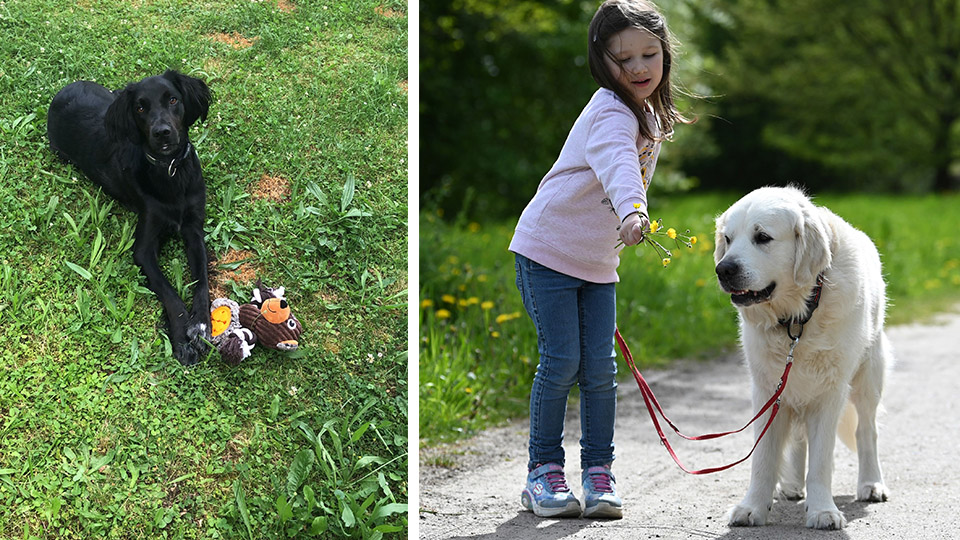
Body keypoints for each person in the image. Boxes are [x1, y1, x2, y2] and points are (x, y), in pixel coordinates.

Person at [509, 0, 691, 519]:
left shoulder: (650, 112)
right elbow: (617, 163)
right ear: (600, 60)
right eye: (622, 58)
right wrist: (635, 213)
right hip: (548, 251)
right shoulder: (611, 111)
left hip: (595, 262)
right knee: (563, 361)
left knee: (600, 371)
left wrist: (626, 224)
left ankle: (598, 473)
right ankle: (542, 472)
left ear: (665, 55)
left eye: (649, 55)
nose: (637, 68)